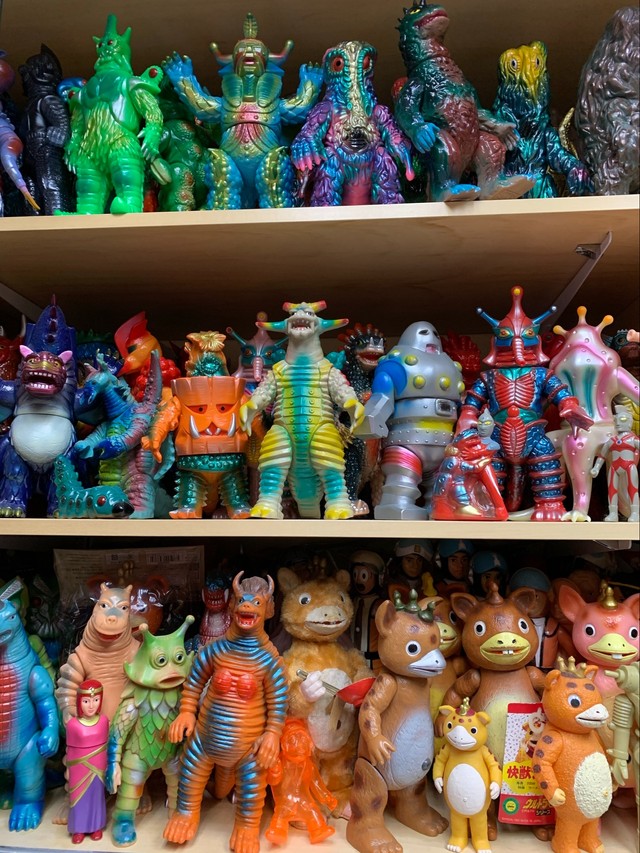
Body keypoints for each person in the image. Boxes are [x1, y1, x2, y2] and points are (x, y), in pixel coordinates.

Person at [65, 679, 108, 845]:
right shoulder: (73, 725)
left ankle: (96, 826)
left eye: (95, 700)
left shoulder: (104, 721)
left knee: (96, 796)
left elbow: (107, 745)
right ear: (79, 701)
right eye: (86, 701)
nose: (91, 705)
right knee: (78, 797)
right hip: (78, 767)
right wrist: (69, 768)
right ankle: (79, 829)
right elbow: (70, 749)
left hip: (99, 765)